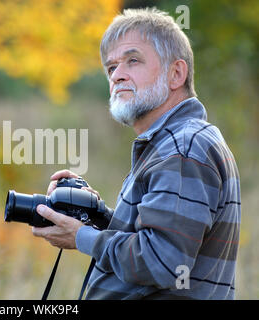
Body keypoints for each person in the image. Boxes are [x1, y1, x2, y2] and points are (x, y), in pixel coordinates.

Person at [32, 8, 241, 299]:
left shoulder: (184, 148)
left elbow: (163, 264)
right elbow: (155, 238)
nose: (117, 75)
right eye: (110, 68)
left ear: (176, 73)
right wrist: (97, 217)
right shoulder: (171, 143)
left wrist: (81, 237)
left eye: (133, 60)